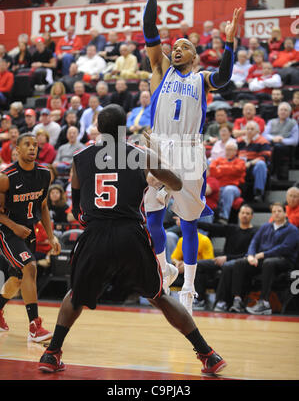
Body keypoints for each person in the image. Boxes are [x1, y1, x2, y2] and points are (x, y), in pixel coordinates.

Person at [38, 104, 226, 375]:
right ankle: (207, 354)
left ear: (99, 128)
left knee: (76, 295)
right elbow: (176, 183)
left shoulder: (79, 157)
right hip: (130, 233)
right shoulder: (141, 154)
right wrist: (157, 171)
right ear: (125, 127)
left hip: (96, 233)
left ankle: (52, 352)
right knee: (159, 295)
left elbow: (77, 207)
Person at [142, 0, 242, 314]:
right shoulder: (160, 70)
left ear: (196, 56)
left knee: (188, 221)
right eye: (176, 46)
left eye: (186, 47)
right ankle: (163, 268)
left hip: (188, 150)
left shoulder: (201, 79)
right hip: (159, 146)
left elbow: (226, 76)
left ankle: (188, 285)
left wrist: (229, 42)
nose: (178, 49)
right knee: (151, 213)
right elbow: (151, 30)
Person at [0, 133, 61, 339]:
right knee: (30, 267)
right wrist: (14, 226)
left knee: (17, 279)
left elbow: (43, 206)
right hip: (7, 230)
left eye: (35, 145)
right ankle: (34, 327)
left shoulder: (45, 174)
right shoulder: (6, 178)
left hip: (28, 231)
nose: (32, 148)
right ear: (17, 149)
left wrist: (51, 237)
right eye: (27, 144)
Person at [229, 202, 299, 315]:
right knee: (240, 263)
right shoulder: (266, 226)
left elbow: (284, 248)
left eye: (279, 211)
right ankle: (237, 300)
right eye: (274, 211)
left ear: (285, 213)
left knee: (268, 262)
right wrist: (251, 256)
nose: (276, 213)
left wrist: (263, 254)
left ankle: (264, 302)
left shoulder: (293, 230)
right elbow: (254, 242)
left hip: (284, 260)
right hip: (263, 259)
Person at [194, 204, 258, 310]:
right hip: (223, 260)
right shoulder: (232, 228)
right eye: (242, 213)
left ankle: (221, 302)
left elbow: (249, 254)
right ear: (238, 215)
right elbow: (213, 227)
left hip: (240, 263)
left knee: (227, 266)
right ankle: (200, 299)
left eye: (247, 213)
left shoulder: (254, 233)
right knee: (199, 265)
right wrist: (192, 223)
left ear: (252, 216)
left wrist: (227, 258)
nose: (244, 215)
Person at [209, 142, 246, 224]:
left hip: (233, 187)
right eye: (227, 150)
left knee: (228, 190)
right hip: (219, 187)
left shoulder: (240, 162)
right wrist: (229, 169)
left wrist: (220, 169)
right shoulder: (218, 160)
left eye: (230, 150)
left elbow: (237, 170)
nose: (228, 152)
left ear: (235, 151)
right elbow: (212, 170)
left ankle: (224, 217)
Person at [237, 121, 272, 202]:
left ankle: (258, 193)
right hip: (240, 164)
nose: (249, 131)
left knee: (261, 164)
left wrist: (250, 163)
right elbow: (233, 154)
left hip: (254, 165)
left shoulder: (263, 141)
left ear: (257, 131)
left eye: (252, 129)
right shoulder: (240, 141)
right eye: (247, 129)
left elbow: (265, 157)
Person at [263, 102, 299, 180]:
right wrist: (273, 138)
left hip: (285, 147)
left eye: (285, 110)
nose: (283, 111)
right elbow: (264, 135)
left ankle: (273, 172)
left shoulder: (293, 123)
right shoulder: (271, 122)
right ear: (278, 112)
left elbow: (295, 141)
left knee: (278, 147)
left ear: (289, 113)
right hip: (271, 143)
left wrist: (282, 140)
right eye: (281, 110)